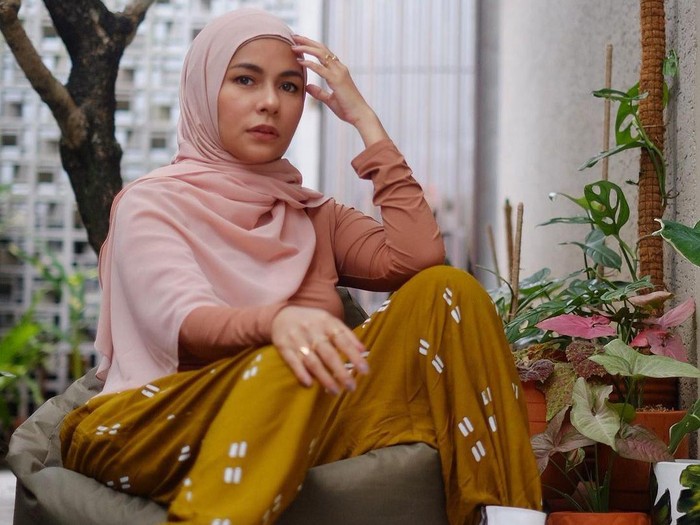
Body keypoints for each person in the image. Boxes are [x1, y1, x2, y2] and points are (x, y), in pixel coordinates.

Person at [59, 8, 543, 525]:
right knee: (290, 359)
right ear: (202, 90)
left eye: (289, 87)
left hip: (301, 413)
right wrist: (279, 322)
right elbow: (184, 319)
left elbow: (417, 257)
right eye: (245, 79)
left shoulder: (311, 214)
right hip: (155, 421)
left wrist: (365, 120)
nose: (270, 102)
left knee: (449, 289)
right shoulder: (150, 204)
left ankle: (511, 518)